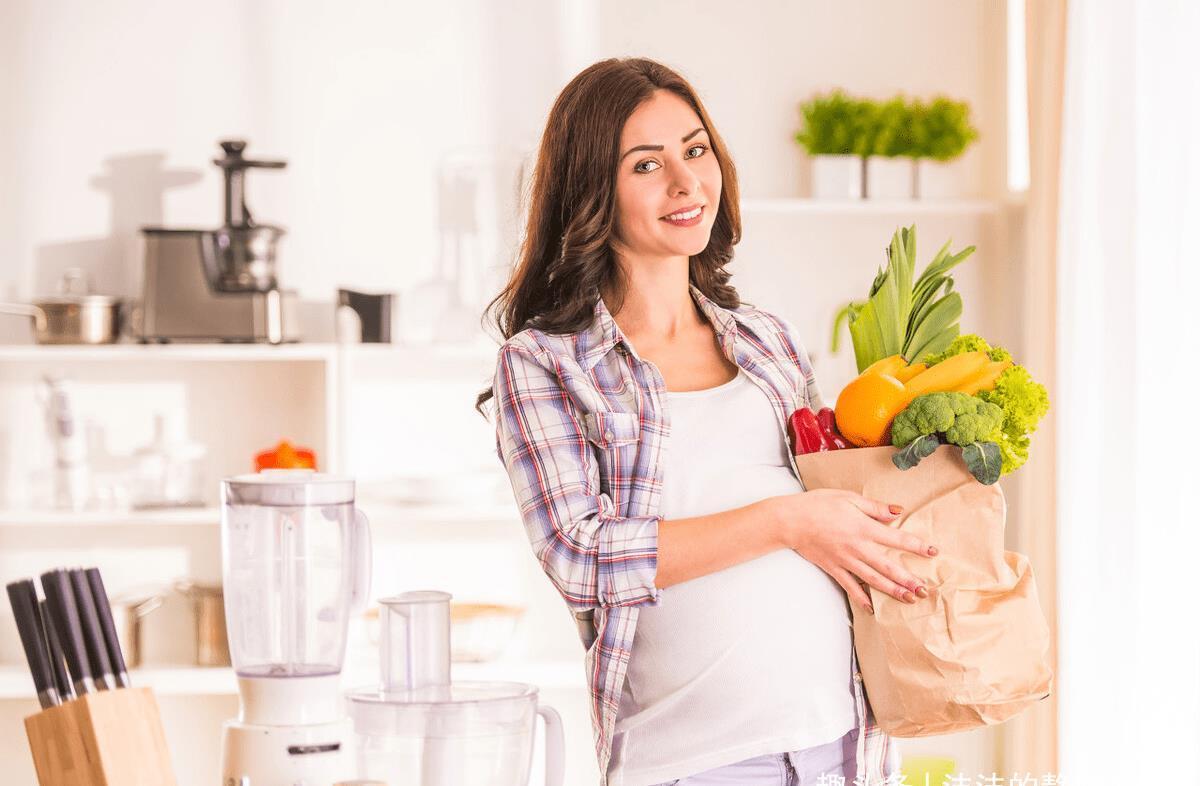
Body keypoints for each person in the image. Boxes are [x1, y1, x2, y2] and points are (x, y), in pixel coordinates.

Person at [476, 57, 935, 786]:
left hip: (845, 745)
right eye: (646, 165)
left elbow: (831, 499)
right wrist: (786, 521)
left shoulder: (766, 340)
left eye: (695, 150)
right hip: (693, 762)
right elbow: (580, 556)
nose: (687, 183)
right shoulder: (546, 364)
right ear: (593, 188)